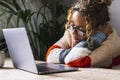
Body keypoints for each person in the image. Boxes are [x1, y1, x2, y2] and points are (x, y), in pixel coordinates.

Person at [46, 0, 120, 68]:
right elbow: (50, 56)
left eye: (81, 29)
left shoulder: (112, 44)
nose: (73, 33)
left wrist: (99, 36)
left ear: (98, 30)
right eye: (71, 26)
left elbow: (75, 60)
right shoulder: (72, 30)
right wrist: (72, 52)